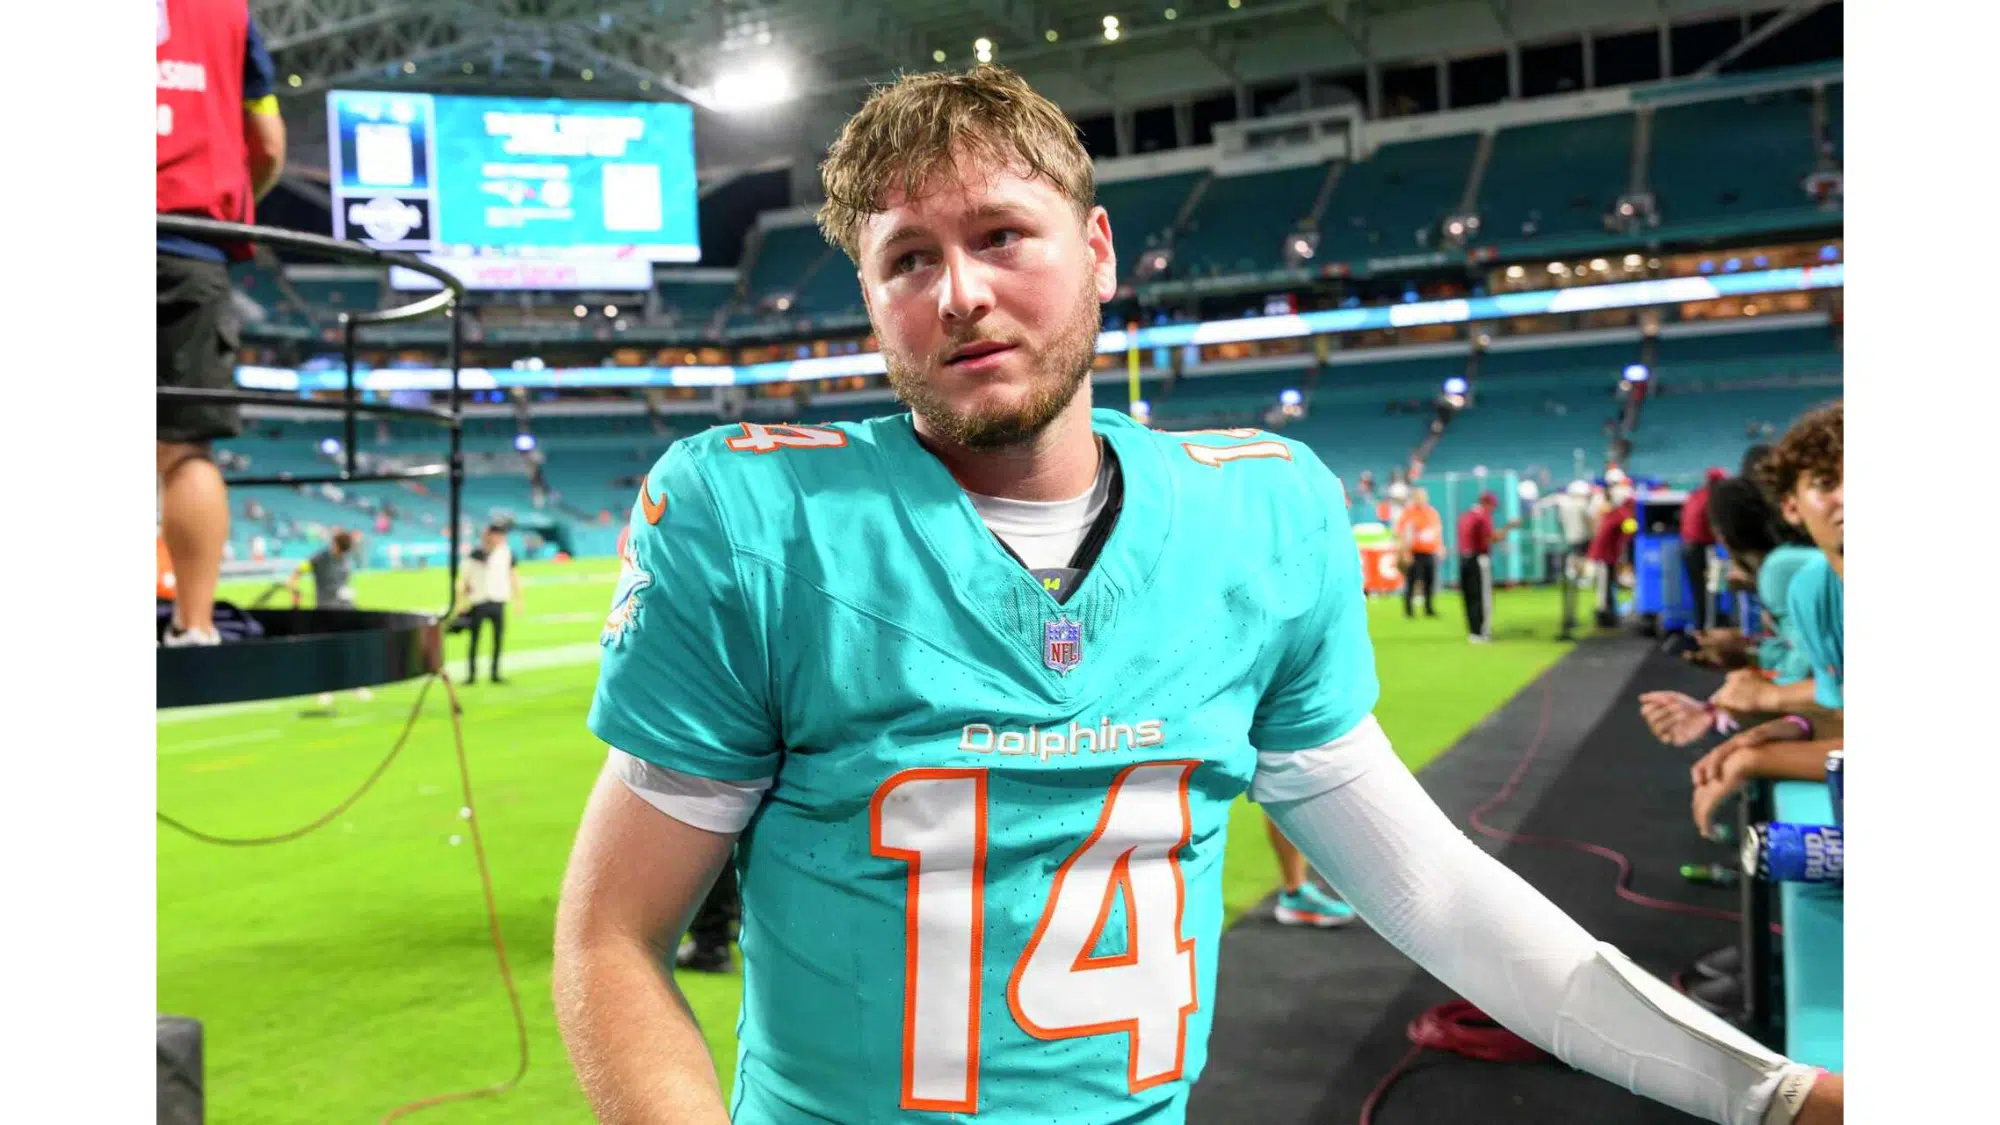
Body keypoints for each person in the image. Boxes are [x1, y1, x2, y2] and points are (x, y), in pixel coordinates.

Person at [554, 65, 1840, 1125]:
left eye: (1001, 234)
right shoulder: (755, 520)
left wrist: (1773, 1096)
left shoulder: (1260, 513)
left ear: (1098, 250)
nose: (959, 293)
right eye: (906, 259)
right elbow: (612, 936)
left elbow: (1431, 889)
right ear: (871, 299)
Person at [156, 0, 286, 646]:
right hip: (190, 243)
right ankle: (195, 625)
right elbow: (267, 145)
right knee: (187, 452)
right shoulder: (225, 12)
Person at [457, 524, 517, 684]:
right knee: (474, 639)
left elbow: (513, 575)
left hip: (498, 600)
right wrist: (461, 602)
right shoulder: (476, 553)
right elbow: (465, 578)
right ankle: (471, 675)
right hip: (479, 601)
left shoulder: (506, 553)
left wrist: (518, 599)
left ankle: (495, 673)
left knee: (498, 639)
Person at [1456, 491, 1515, 643]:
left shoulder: (1466, 515)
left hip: (1463, 559)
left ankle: (1473, 631)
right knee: (1483, 597)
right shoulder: (1483, 516)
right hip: (1478, 559)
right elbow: (1492, 538)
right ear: (1488, 504)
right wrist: (1508, 528)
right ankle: (1483, 631)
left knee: (1469, 597)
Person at [1679, 467, 1728, 630]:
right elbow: (1717, 526)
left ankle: (1701, 626)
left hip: (1687, 547)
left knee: (1698, 590)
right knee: (1711, 588)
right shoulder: (1714, 498)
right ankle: (1709, 626)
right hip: (1702, 549)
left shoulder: (1695, 495)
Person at [1393, 486, 1442, 618]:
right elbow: (1400, 533)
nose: (1421, 499)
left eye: (1423, 496)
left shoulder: (1432, 512)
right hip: (1414, 553)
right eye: (1419, 496)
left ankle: (1429, 609)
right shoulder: (1408, 513)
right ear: (1414, 498)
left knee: (1429, 582)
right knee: (1411, 582)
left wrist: (1440, 547)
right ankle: (1408, 610)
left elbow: (1437, 531)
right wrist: (1404, 552)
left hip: (1429, 552)